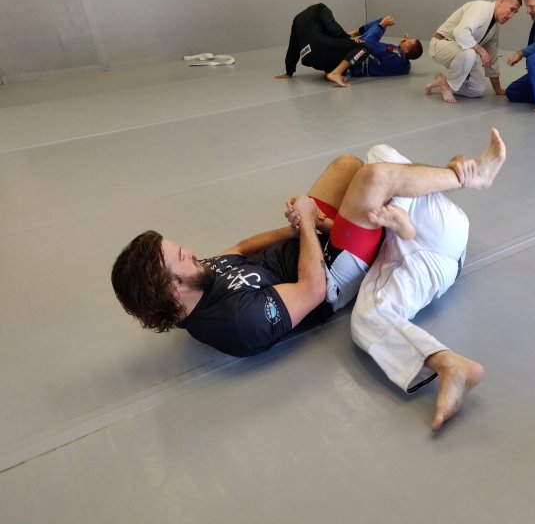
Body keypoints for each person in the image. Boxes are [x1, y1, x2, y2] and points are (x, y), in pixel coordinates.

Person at [111, 130, 507, 361]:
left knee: (345, 164)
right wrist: (307, 229)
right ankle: (471, 177)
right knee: (373, 178)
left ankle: (396, 212)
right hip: (330, 272)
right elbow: (314, 290)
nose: (188, 251)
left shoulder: (196, 278)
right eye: (178, 257)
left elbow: (242, 248)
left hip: (311, 243)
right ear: (171, 290)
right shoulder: (236, 324)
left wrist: (296, 224)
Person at [350, 128, 506, 431]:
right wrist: (457, 170)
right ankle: (450, 365)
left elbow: (413, 181)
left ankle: (460, 181)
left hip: (432, 235)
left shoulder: (374, 174)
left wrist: (456, 166)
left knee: (380, 156)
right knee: (367, 318)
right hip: (427, 257)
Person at [276, 3, 422, 88]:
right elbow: (389, 54)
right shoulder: (403, 64)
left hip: (342, 58)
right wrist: (399, 43)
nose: (405, 39)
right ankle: (349, 40)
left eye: (408, 41)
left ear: (406, 50)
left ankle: (335, 72)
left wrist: (382, 26)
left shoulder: (397, 55)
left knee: (364, 45)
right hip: (343, 59)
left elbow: (369, 44)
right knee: (374, 28)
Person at [424, 0, 522, 103]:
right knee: (470, 54)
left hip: (461, 54)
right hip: (441, 44)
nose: (511, 16)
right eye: (512, 9)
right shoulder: (481, 8)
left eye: (515, 13)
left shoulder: (494, 28)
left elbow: (492, 58)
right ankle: (446, 87)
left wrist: (498, 89)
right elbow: (460, 32)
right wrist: (481, 51)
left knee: (478, 90)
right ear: (501, 0)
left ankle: (443, 82)